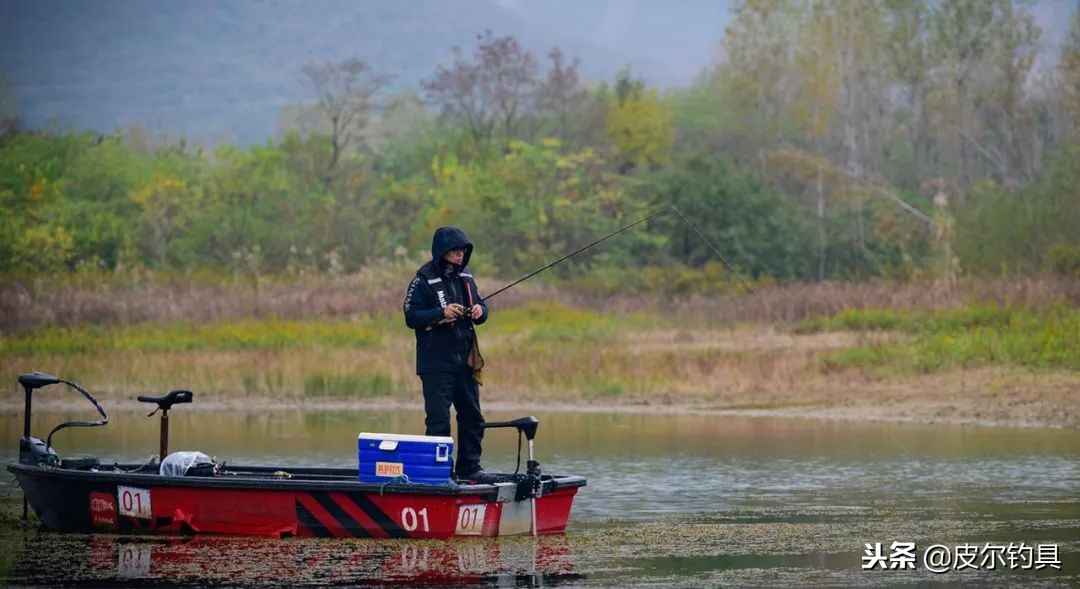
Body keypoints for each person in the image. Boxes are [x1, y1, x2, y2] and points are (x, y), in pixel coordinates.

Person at [403, 226, 491, 482]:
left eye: (464, 250)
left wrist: (479, 312)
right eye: (455, 250)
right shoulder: (423, 279)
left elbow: (483, 307)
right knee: (439, 421)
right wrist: (441, 313)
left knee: (473, 417)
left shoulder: (467, 278)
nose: (461, 255)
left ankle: (470, 468)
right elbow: (411, 317)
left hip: (465, 361)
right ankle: (440, 472)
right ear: (442, 251)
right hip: (435, 364)